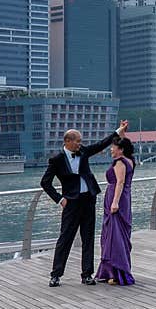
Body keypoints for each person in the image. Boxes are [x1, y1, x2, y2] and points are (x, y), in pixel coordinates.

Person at [41, 120, 129, 287]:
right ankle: (56, 275)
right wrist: (60, 199)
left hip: (88, 199)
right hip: (70, 203)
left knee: (88, 238)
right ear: (67, 141)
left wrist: (119, 130)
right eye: (77, 141)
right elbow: (45, 183)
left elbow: (101, 144)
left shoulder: (83, 152)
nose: (80, 144)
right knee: (65, 238)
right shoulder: (57, 160)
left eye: (80, 141)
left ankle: (87, 274)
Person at [96, 136, 136, 286]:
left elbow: (120, 182)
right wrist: (123, 133)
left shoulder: (120, 162)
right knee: (120, 235)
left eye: (113, 147)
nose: (111, 149)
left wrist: (114, 202)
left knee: (114, 236)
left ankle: (115, 273)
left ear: (121, 150)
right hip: (125, 199)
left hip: (117, 199)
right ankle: (116, 271)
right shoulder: (130, 161)